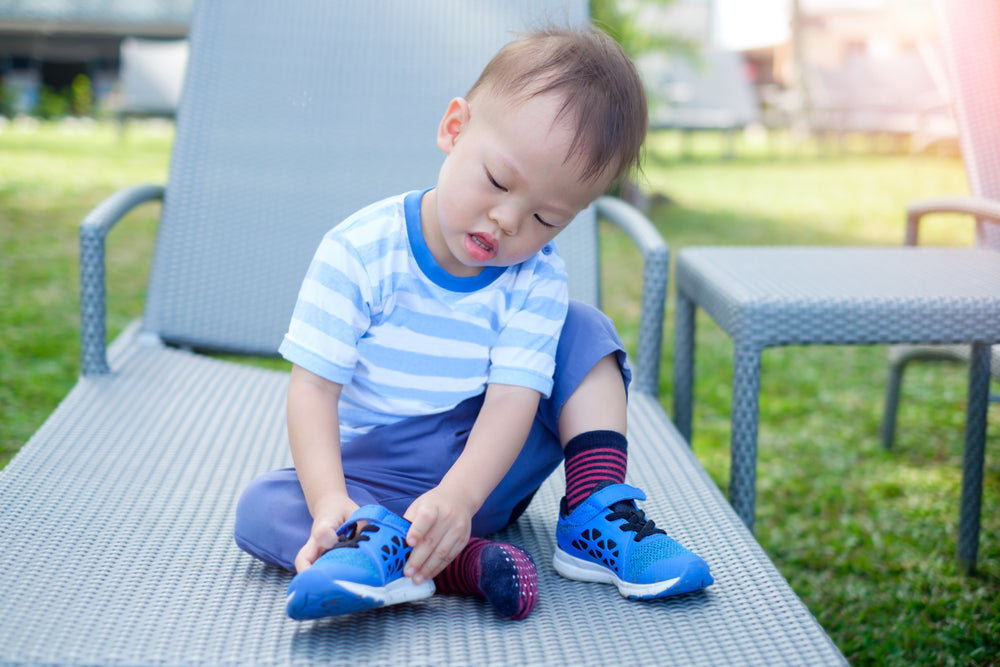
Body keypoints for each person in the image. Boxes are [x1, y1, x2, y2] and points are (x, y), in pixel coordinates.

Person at [234, 26, 713, 622]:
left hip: (489, 468)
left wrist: (462, 496)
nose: (509, 220)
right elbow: (312, 388)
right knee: (264, 506)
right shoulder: (361, 251)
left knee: (585, 330)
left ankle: (592, 511)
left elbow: (515, 398)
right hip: (380, 480)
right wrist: (332, 500)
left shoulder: (535, 276)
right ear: (454, 129)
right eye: (497, 181)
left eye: (545, 216)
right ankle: (442, 560)